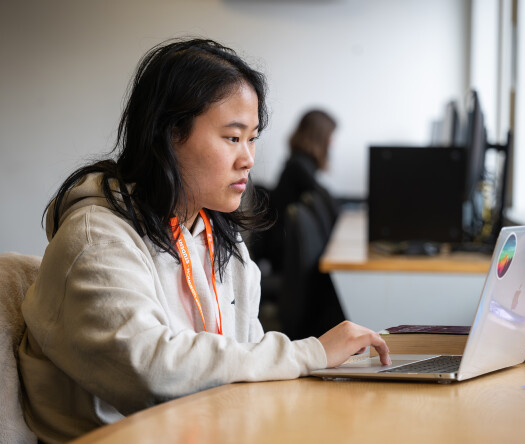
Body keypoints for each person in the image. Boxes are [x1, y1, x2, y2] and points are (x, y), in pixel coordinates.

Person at [17, 38, 390, 443]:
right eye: (232, 137)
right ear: (169, 135)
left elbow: (245, 361)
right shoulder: (96, 240)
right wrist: (311, 353)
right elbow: (153, 372)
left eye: (252, 138)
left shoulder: (220, 239)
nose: (248, 157)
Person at [256, 109, 339, 273]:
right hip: (285, 252)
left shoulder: (299, 163)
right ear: (319, 137)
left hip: (289, 248)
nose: (332, 142)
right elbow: (328, 203)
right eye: (330, 136)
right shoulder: (298, 166)